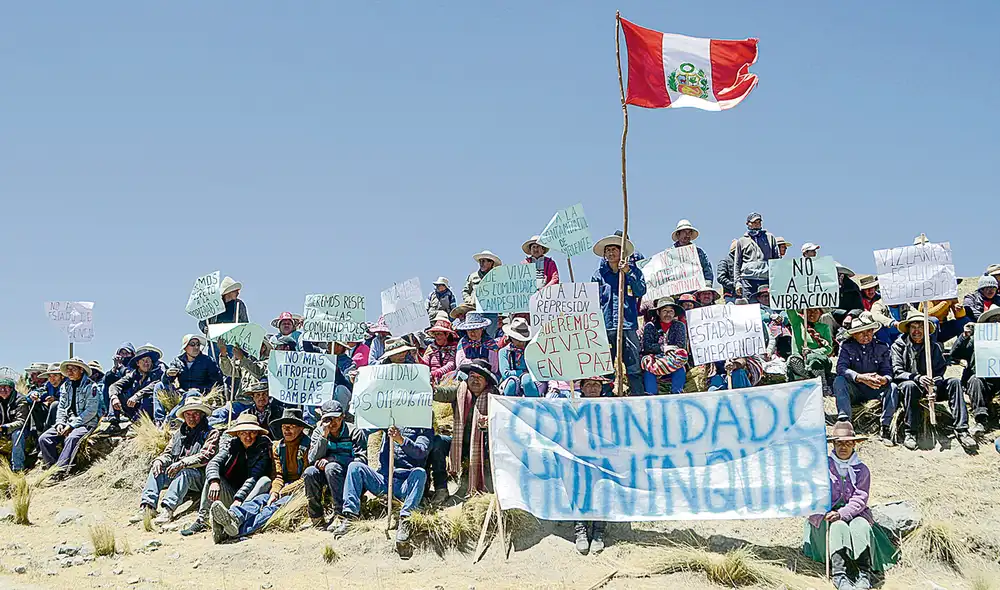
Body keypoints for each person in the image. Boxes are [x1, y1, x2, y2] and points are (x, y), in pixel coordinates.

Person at [803, 421, 897, 590]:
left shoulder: (862, 470)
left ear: (854, 444)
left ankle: (863, 574)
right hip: (826, 516)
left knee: (860, 525)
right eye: (839, 443)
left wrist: (843, 513)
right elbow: (814, 492)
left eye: (847, 443)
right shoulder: (821, 467)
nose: (843, 447)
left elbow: (860, 498)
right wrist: (828, 512)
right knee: (838, 526)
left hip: (854, 514)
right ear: (833, 444)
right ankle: (840, 575)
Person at [210, 408, 313, 543]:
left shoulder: (308, 446)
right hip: (282, 487)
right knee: (259, 500)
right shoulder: (277, 447)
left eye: (292, 427)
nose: (287, 430)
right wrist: (275, 492)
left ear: (301, 428)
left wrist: (282, 492)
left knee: (272, 509)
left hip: (299, 490)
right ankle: (234, 516)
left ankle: (236, 531)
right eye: (284, 427)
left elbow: (305, 478)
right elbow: (278, 475)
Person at [333, 424, 432, 558]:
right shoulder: (391, 419)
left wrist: (400, 440)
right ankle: (350, 517)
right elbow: (366, 428)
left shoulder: (424, 427)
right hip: (384, 480)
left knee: (420, 473)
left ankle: (405, 520)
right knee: (355, 467)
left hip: (406, 482)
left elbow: (421, 451)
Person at [891, 313, 976, 451]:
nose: (917, 331)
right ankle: (910, 433)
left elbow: (939, 373)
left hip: (930, 386)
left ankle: (962, 430)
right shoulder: (898, 346)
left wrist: (934, 388)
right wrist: (917, 378)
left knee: (954, 383)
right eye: (913, 327)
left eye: (920, 327)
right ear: (908, 329)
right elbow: (897, 371)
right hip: (909, 387)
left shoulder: (934, 347)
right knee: (909, 386)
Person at [181, 413, 272, 537]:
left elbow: (254, 477)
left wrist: (239, 499)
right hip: (231, 492)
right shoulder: (231, 446)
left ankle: (235, 517)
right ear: (238, 434)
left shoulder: (263, 448)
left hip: (249, 497)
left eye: (252, 432)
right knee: (212, 478)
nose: (248, 437)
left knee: (265, 481)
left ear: (257, 433)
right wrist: (214, 481)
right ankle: (202, 519)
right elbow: (214, 463)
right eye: (243, 433)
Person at [139, 397, 219, 525]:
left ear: (202, 415)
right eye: (188, 414)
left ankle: (168, 509)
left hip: (200, 477)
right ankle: (148, 507)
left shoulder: (211, 433)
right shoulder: (178, 434)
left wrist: (182, 463)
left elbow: (205, 456)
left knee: (185, 472)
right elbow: (168, 453)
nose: (191, 418)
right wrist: (159, 460)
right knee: (157, 470)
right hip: (179, 474)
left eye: (195, 414)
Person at [432, 359, 498, 498]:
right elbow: (442, 393)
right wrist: (432, 389)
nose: (475, 381)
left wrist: (490, 422)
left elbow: (503, 420)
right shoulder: (460, 390)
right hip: (459, 445)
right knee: (437, 443)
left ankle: (487, 486)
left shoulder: (495, 396)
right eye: (472, 376)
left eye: (480, 378)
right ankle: (441, 489)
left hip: (483, 448)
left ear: (486, 382)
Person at [592, 232, 647, 395]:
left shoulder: (634, 272)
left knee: (633, 367)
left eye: (614, 249)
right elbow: (593, 301)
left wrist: (628, 271)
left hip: (628, 325)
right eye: (607, 250)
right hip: (606, 326)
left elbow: (641, 290)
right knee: (606, 368)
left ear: (622, 252)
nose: (610, 253)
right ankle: (606, 397)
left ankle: (638, 398)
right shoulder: (599, 275)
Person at [833, 312, 898, 445]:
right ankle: (845, 421)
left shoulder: (882, 347)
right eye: (861, 332)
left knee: (892, 387)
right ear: (854, 335)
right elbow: (841, 368)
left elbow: (888, 371)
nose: (866, 336)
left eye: (869, 331)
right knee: (839, 380)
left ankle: (886, 427)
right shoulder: (846, 347)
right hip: (855, 389)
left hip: (875, 389)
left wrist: (884, 379)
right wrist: (860, 377)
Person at [303, 400, 367, 528]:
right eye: (328, 419)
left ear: (342, 416)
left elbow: (362, 460)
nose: (332, 423)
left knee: (332, 467)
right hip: (326, 474)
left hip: (348, 476)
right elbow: (312, 458)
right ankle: (316, 517)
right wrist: (324, 437)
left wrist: (334, 459)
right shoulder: (318, 432)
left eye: (336, 418)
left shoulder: (354, 432)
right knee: (309, 472)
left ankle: (340, 513)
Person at [38, 358, 102, 475]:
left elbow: (91, 411)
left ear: (81, 370)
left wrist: (72, 425)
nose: (70, 372)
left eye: (73, 369)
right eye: (68, 370)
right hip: (67, 422)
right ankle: (51, 470)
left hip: (86, 423)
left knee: (72, 438)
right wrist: (60, 423)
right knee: (44, 438)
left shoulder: (91, 387)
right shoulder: (65, 386)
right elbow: (61, 408)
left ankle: (61, 471)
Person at [573, 374, 610, 555]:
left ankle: (598, 533)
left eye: (597, 384)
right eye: (589, 384)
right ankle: (581, 531)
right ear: (581, 388)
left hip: (603, 458)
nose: (594, 388)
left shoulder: (610, 405)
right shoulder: (572, 404)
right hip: (580, 457)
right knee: (581, 493)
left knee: (601, 493)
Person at [950, 306, 1000, 437]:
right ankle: (981, 421)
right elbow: (954, 353)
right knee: (975, 380)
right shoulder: (975, 339)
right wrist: (964, 336)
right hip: (981, 381)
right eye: (994, 320)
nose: (997, 323)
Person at [157, 334, 224, 423]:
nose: (196, 347)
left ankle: (170, 419)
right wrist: (168, 374)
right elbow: (166, 381)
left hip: (200, 394)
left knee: (192, 392)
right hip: (182, 393)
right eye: (192, 344)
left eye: (198, 345)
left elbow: (217, 382)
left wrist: (202, 389)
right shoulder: (178, 361)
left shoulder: (208, 361)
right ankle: (159, 420)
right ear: (185, 348)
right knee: (158, 386)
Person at [640, 298, 689, 394]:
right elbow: (647, 346)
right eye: (665, 311)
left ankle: (677, 393)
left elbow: (681, 346)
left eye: (671, 311)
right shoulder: (650, 326)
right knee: (648, 369)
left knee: (680, 368)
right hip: (655, 359)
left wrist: (670, 351)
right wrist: (663, 348)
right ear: (658, 312)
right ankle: (651, 395)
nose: (668, 314)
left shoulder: (679, 326)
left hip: (674, 358)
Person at [108, 346, 163, 422]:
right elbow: (115, 385)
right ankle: (113, 420)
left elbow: (154, 385)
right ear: (138, 363)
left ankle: (138, 422)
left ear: (151, 361)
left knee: (149, 397)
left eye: (148, 360)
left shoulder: (158, 372)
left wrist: (137, 396)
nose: (146, 363)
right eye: (143, 360)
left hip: (149, 409)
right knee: (116, 394)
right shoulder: (133, 374)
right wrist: (114, 397)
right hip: (134, 407)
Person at [733, 212, 779, 298]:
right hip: (747, 279)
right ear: (748, 224)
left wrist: (776, 278)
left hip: (766, 278)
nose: (757, 224)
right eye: (754, 222)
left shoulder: (770, 237)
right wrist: (737, 282)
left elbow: (776, 259)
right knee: (750, 306)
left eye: (759, 222)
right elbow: (737, 263)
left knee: (766, 304)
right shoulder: (741, 241)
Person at [786, 309, 837, 386]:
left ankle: (822, 384)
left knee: (812, 358)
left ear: (820, 313)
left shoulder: (824, 327)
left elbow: (828, 348)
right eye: (809, 311)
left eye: (815, 311)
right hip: (800, 360)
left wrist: (812, 352)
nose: (812, 314)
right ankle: (806, 375)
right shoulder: (797, 322)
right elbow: (789, 309)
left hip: (817, 360)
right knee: (793, 360)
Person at [499, 318, 546, 397]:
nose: (521, 342)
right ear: (511, 338)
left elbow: (540, 370)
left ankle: (534, 406)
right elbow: (505, 373)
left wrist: (526, 375)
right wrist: (523, 372)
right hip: (513, 382)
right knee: (512, 383)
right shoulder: (504, 352)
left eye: (523, 340)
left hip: (533, 382)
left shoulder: (534, 350)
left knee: (527, 380)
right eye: (517, 339)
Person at [198, 275, 248, 341]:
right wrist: (205, 329)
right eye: (235, 291)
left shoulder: (239, 304)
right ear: (228, 292)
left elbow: (245, 323)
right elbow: (202, 321)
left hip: (232, 341)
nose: (238, 293)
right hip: (215, 340)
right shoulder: (214, 303)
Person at [0, 374, 30, 471]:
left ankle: (18, 468)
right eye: (0, 388)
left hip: (20, 430)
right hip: (2, 430)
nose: (3, 390)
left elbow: (21, 421)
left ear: (12, 389)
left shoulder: (20, 400)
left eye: (6, 388)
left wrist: (4, 427)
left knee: (17, 434)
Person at [671, 219, 713, 285]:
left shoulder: (699, 252)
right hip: (677, 291)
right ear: (678, 234)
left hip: (695, 291)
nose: (687, 235)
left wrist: (707, 286)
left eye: (689, 233)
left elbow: (707, 270)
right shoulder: (669, 254)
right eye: (684, 232)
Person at [423, 320, 458, 384]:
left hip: (448, 380)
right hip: (431, 380)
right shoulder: (431, 347)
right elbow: (424, 364)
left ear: (447, 334)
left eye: (439, 334)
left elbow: (451, 365)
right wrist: (416, 356)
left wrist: (436, 373)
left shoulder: (454, 348)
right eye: (435, 334)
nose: (436, 336)